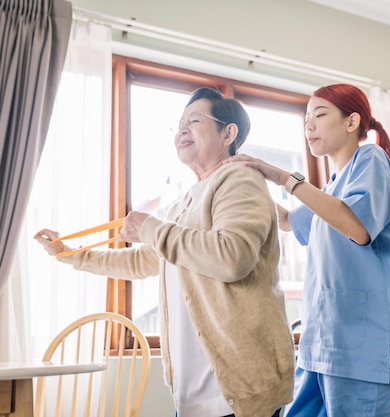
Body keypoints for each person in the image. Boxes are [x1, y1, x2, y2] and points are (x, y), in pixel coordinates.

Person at [34, 87, 295, 417]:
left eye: (195, 120)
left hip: (239, 392)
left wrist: (149, 228)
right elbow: (143, 260)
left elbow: (233, 258)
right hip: (191, 397)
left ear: (229, 133)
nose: (182, 129)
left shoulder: (240, 179)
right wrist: (70, 253)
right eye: (180, 123)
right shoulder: (185, 203)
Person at [226, 83, 390, 417]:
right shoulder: (329, 187)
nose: (309, 125)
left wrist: (286, 178)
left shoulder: (371, 159)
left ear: (352, 121)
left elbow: (357, 227)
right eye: (305, 119)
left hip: (363, 347)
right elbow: (286, 221)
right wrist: (242, 179)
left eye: (320, 114)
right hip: (322, 340)